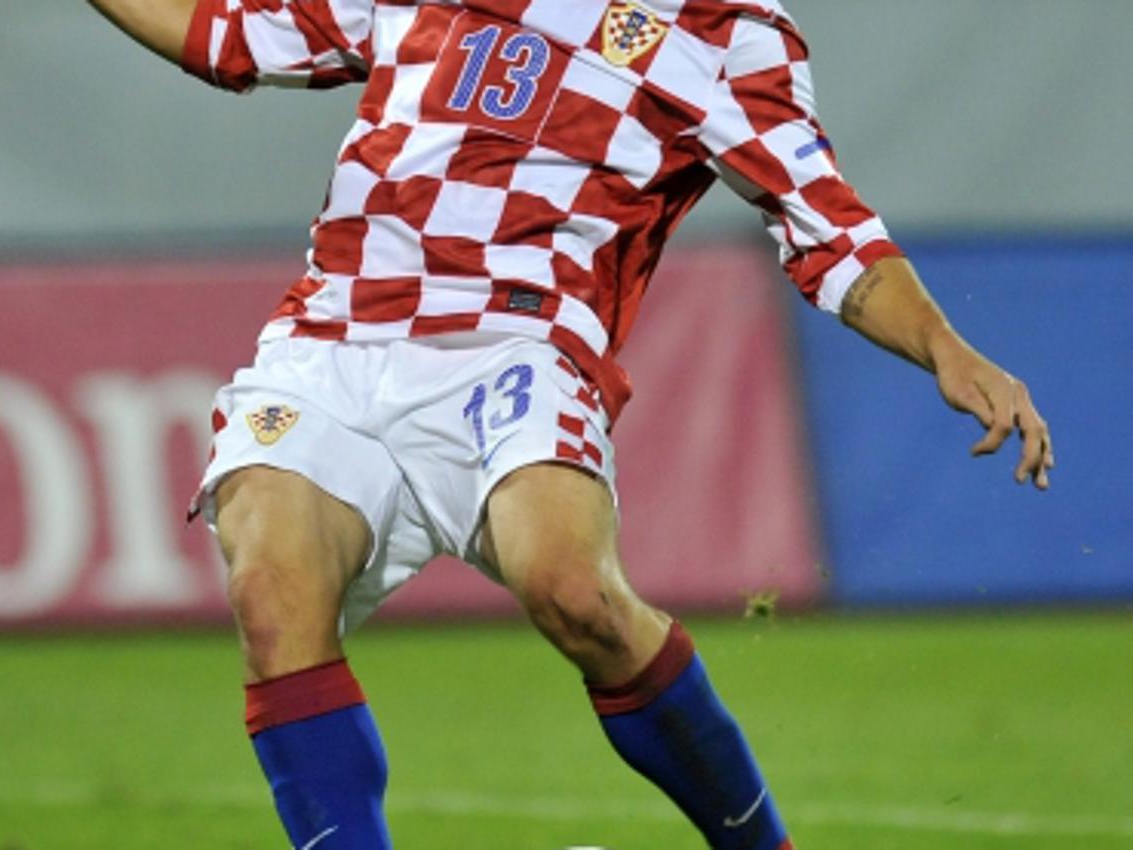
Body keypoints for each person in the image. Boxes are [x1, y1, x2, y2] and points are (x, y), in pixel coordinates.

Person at [88, 1, 1054, 848]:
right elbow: (228, 33)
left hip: (522, 342)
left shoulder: (726, 32)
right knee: (271, 591)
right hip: (333, 336)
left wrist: (945, 348)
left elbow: (830, 230)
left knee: (572, 589)